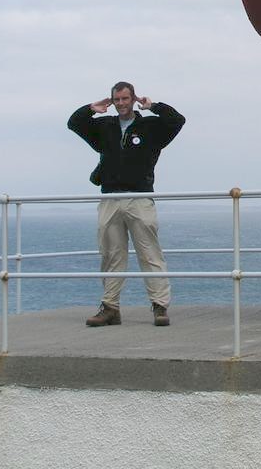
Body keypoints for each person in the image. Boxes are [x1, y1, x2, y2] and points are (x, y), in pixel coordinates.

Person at [68, 81, 185, 327]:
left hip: (140, 197)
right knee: (111, 254)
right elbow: (74, 123)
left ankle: (160, 306)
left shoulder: (151, 127)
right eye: (117, 100)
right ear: (113, 101)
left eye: (125, 99)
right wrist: (91, 108)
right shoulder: (104, 127)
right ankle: (110, 307)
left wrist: (154, 106)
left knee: (150, 253)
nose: (121, 104)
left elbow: (177, 120)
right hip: (110, 197)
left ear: (133, 99)